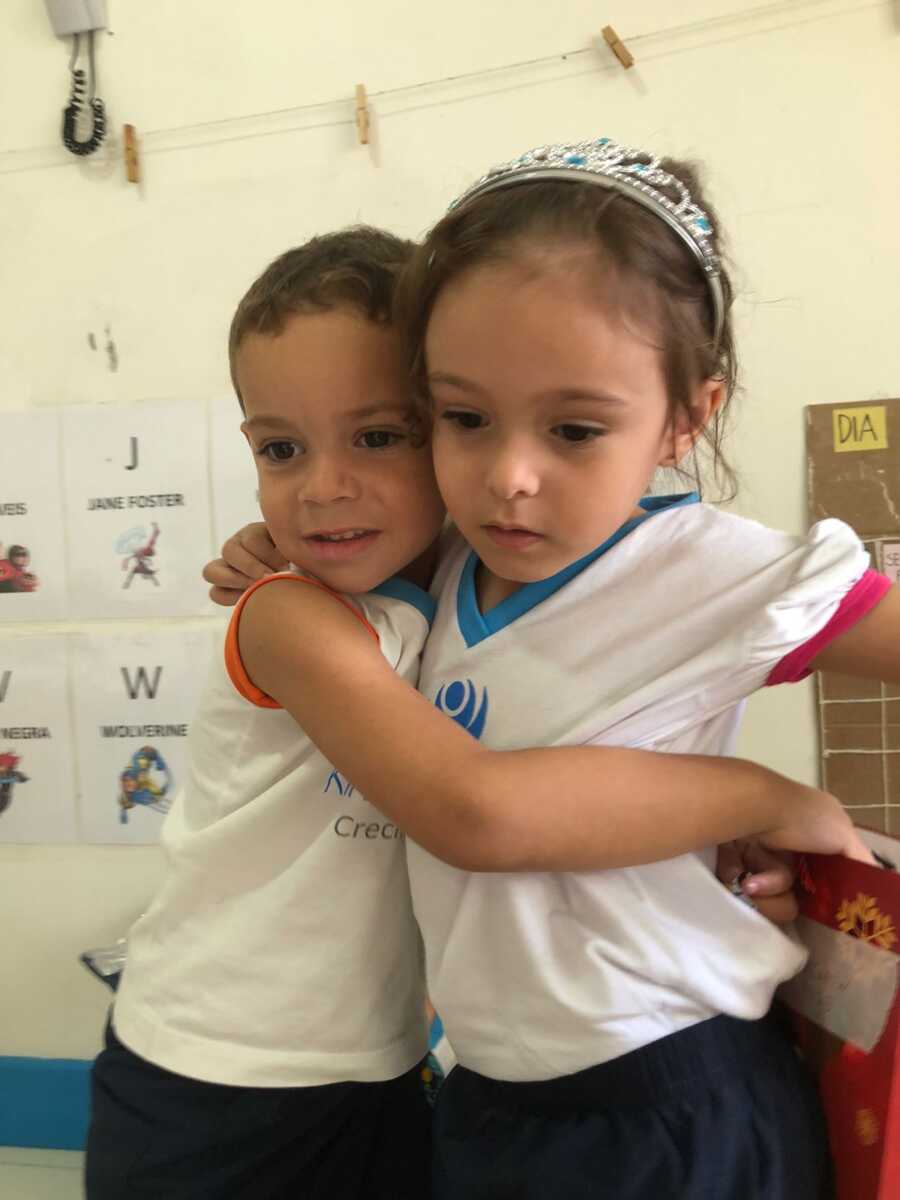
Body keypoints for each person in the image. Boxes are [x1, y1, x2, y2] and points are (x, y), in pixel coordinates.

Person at [206, 138, 896, 1199]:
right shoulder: (446, 566)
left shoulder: (703, 566)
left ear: (687, 416)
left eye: (574, 429)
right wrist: (272, 552)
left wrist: (787, 806)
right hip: (492, 1094)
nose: (509, 477)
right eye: (463, 418)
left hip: (670, 1101)